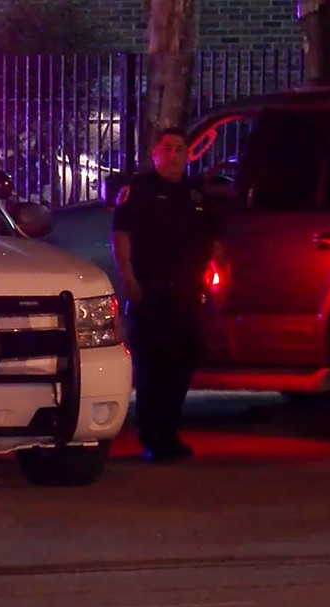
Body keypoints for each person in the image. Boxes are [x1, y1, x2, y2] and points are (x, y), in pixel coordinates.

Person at [111, 127, 227, 462]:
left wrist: (220, 280)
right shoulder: (140, 190)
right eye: (168, 149)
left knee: (185, 357)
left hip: (186, 292)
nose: (174, 155)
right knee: (154, 364)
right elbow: (122, 235)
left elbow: (214, 241)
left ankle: (170, 431)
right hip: (152, 291)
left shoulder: (195, 195)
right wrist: (129, 277)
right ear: (156, 154)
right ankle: (153, 437)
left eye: (180, 149)